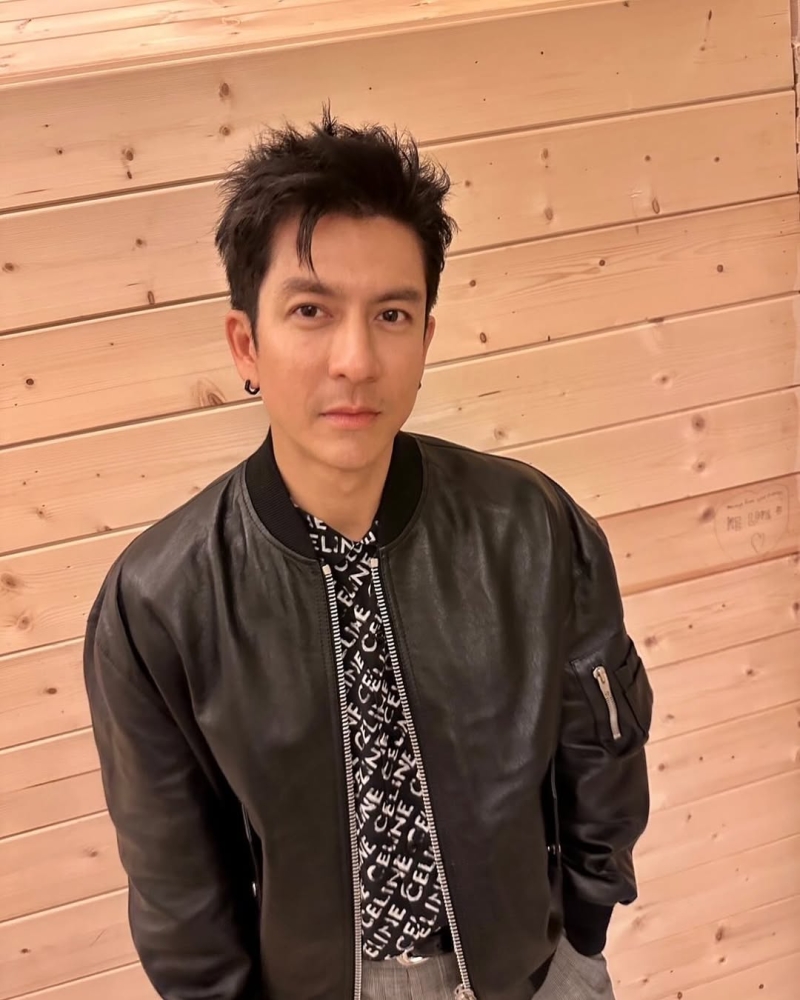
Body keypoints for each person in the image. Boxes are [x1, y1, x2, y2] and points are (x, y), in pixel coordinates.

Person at [84, 109, 653, 1000]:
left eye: (391, 314)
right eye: (311, 311)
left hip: (537, 972)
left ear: (425, 340)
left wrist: (582, 936)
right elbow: (177, 887)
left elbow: (603, 750)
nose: (354, 359)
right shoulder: (158, 601)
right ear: (247, 344)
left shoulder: (531, 526)